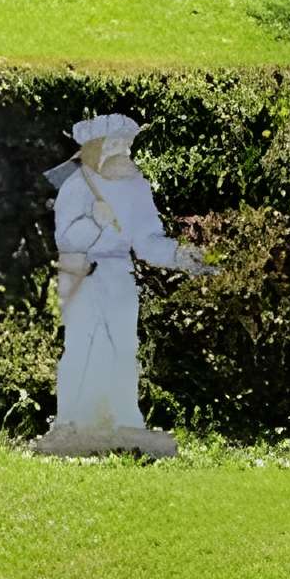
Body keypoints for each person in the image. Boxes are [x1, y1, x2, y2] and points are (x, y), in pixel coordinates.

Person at [47, 113, 204, 441]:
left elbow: (147, 240)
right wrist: (94, 221)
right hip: (81, 273)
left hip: (119, 271)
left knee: (124, 345)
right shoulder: (78, 185)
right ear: (97, 147)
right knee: (79, 345)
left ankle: (126, 420)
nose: (124, 152)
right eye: (115, 144)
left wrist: (179, 255)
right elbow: (66, 239)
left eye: (127, 144)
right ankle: (67, 423)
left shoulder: (137, 187)